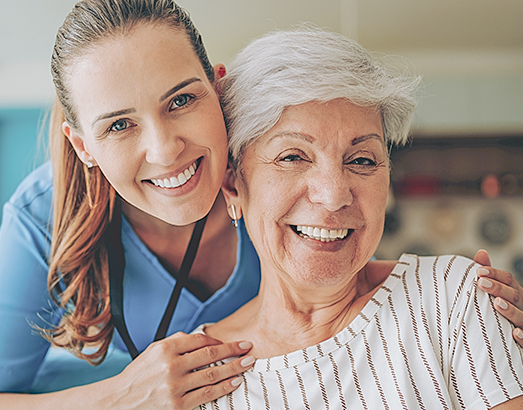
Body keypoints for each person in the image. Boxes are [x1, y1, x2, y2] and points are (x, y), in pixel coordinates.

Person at [0, 0, 521, 409]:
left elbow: (327, 259)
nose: (165, 149)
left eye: (181, 100)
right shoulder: (44, 215)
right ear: (84, 147)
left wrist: (436, 288)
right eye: (119, 125)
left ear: (217, 90)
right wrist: (123, 395)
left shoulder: (256, 173)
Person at [196, 28, 523, 409]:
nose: (334, 195)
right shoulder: (193, 377)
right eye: (293, 157)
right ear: (233, 184)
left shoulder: (450, 297)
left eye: (362, 160)